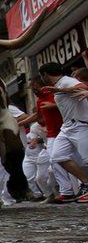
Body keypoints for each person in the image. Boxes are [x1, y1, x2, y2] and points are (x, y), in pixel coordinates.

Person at [40, 62, 88, 202]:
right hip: (67, 128)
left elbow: (83, 86)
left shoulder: (67, 81)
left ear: (45, 75)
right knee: (57, 157)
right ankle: (85, 183)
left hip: (81, 125)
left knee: (86, 161)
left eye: (41, 76)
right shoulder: (60, 84)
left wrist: (61, 91)